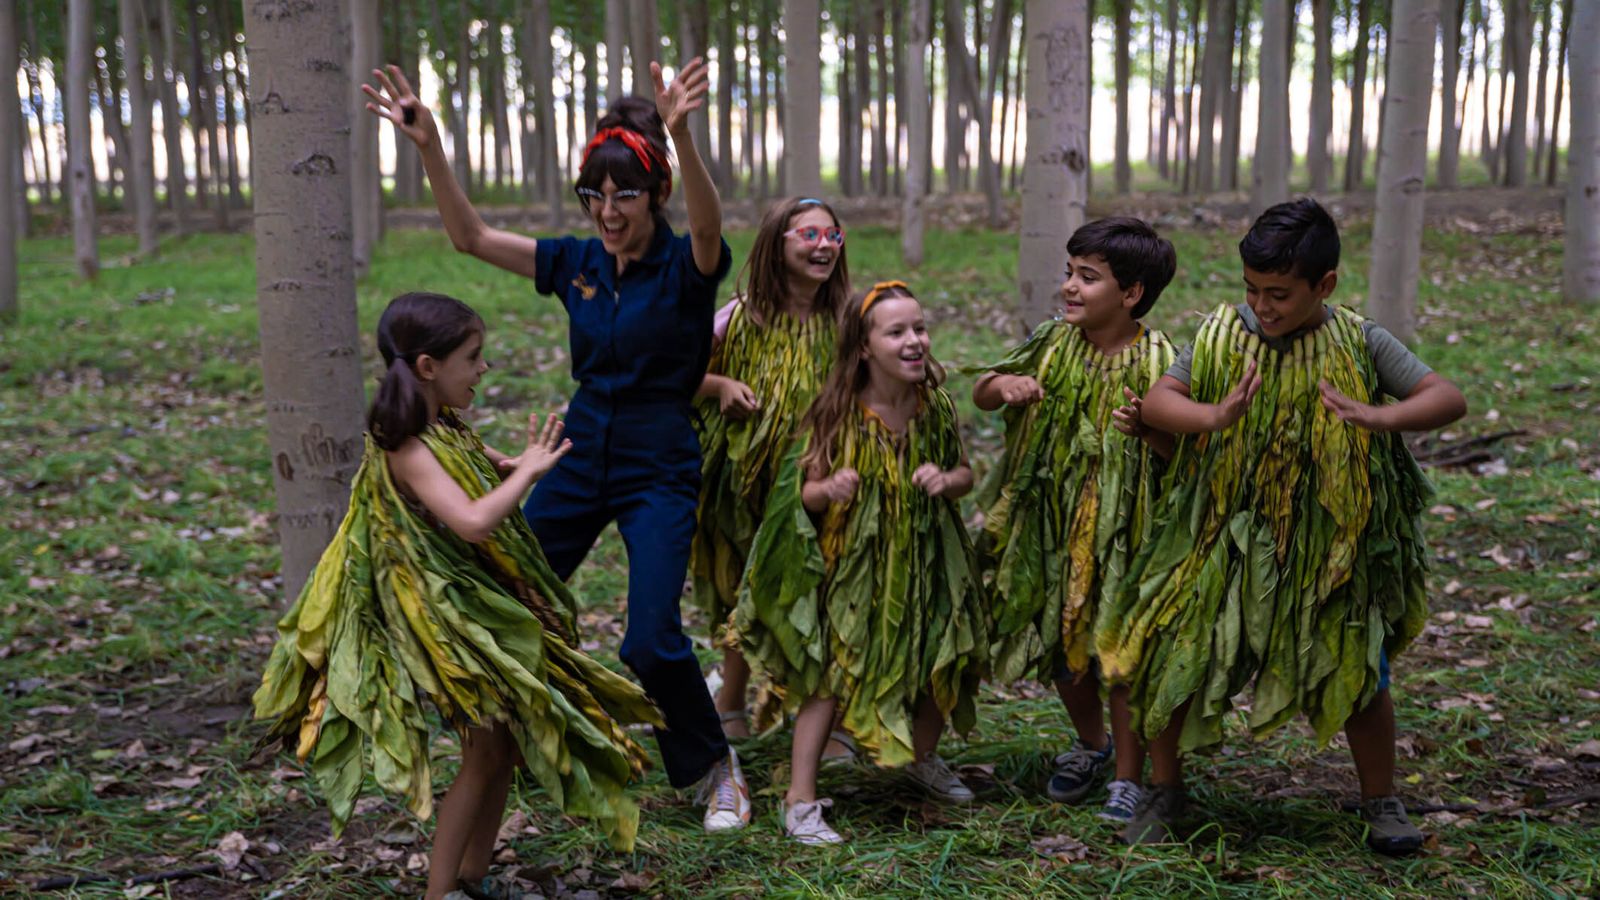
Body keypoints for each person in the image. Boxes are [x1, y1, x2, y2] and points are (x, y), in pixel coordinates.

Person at [361, 58, 749, 830]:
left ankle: (715, 767)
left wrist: (683, 135)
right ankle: (521, 746)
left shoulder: (685, 265)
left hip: (658, 464)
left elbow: (707, 224)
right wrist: (429, 146)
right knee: (510, 597)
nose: (607, 210)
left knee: (648, 639)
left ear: (656, 194)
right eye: (594, 195)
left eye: (624, 195)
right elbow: (468, 237)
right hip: (577, 450)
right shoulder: (574, 262)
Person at [254, 293, 661, 900]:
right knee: (484, 753)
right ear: (426, 366)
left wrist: (516, 463)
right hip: (444, 624)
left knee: (498, 751)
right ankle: (440, 892)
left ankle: (470, 879)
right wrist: (526, 477)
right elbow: (471, 521)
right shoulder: (406, 446)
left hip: (468, 609)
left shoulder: (441, 425)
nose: (482, 369)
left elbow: (479, 473)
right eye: (473, 357)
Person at [1099, 198, 1468, 854]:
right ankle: (1165, 787)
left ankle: (1381, 799)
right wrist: (1213, 417)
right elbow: (1161, 398)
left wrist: (1380, 417)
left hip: (1327, 551)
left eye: (1279, 294)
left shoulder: (1359, 339)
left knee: (1359, 672)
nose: (1263, 307)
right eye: (1252, 290)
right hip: (1218, 537)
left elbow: (1447, 397)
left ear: (1323, 285)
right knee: (1167, 651)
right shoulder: (1219, 333)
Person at [733, 281, 988, 844]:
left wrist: (946, 481)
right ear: (864, 347)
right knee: (829, 679)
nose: (914, 340)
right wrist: (827, 490)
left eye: (919, 328)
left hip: (923, 564)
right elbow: (795, 497)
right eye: (896, 331)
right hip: (850, 571)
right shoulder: (838, 412)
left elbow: (966, 473)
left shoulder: (934, 405)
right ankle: (800, 799)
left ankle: (921, 757)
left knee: (935, 658)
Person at [972, 217, 1177, 824]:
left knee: (1120, 656)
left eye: (1087, 278)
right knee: (1066, 649)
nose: (1069, 287)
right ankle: (1092, 744)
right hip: (1052, 529)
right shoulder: (1051, 342)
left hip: (1129, 536)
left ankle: (1128, 778)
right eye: (1069, 273)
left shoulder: (1162, 359)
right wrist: (1005, 385)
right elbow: (982, 390)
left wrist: (1149, 430)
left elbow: (1185, 453)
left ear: (1131, 293)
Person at [692, 197, 848, 751]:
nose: (824, 245)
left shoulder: (845, 322)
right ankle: (730, 702)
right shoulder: (739, 319)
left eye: (833, 236)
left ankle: (822, 716)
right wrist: (720, 387)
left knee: (821, 592)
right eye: (809, 235)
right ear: (775, 243)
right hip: (747, 483)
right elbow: (680, 375)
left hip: (820, 483)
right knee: (747, 589)